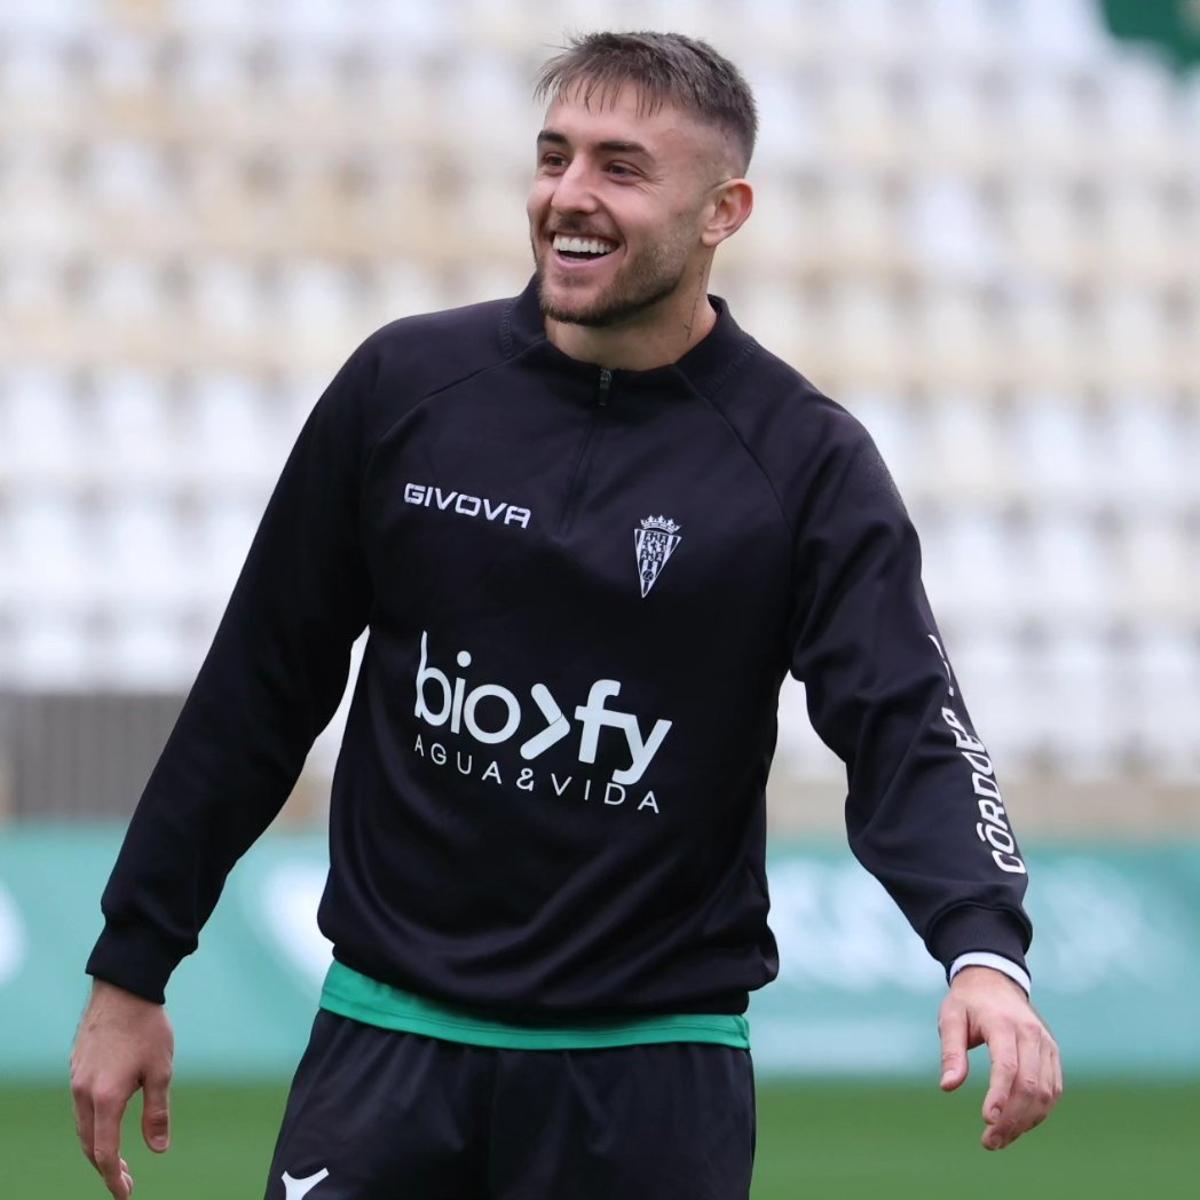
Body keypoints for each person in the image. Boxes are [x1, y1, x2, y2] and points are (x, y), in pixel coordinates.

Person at [69, 30, 1062, 1200]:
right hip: (386, 1051)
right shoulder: (405, 389)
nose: (569, 196)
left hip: (650, 1079)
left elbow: (907, 723)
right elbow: (256, 688)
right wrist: (134, 963)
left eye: (621, 168)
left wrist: (983, 947)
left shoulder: (804, 463)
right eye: (555, 157)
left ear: (722, 210)